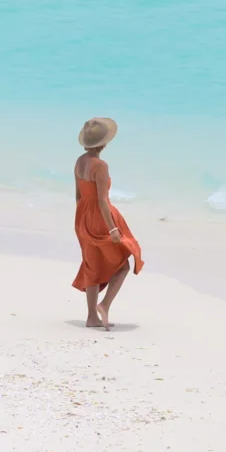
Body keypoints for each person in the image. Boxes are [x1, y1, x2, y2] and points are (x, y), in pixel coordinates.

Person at [72, 117, 143, 329]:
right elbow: (102, 200)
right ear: (103, 143)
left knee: (91, 265)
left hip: (83, 216)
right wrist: (112, 227)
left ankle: (91, 317)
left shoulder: (79, 162)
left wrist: (83, 221)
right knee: (124, 263)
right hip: (102, 217)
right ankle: (105, 304)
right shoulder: (100, 165)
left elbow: (78, 196)